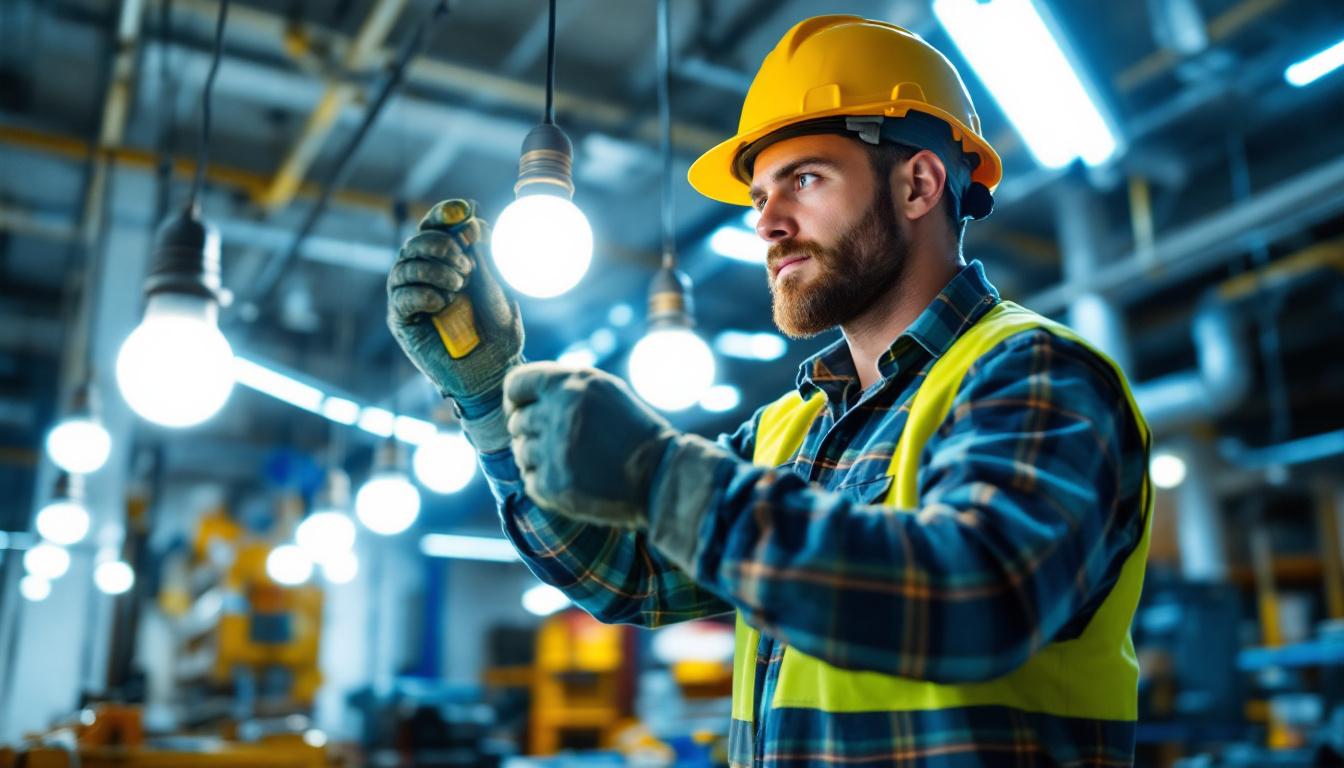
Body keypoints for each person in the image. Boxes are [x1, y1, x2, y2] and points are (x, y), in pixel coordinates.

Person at [388, 14, 1151, 768]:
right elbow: (621, 574)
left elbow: (980, 596)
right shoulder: (790, 430)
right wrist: (488, 396)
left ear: (918, 183)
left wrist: (662, 479)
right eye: (758, 197)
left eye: (805, 179)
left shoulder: (1035, 373)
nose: (768, 223)